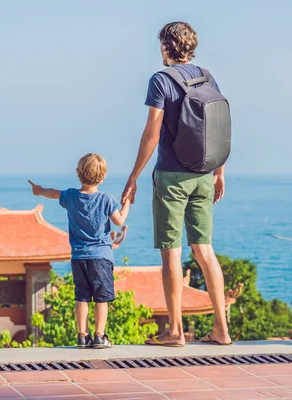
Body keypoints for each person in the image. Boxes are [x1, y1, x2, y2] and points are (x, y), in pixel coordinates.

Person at [121, 22, 232, 346]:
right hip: (204, 175)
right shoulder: (207, 76)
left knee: (171, 253)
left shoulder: (161, 80)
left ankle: (175, 331)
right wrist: (219, 172)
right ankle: (222, 331)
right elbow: (218, 127)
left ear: (167, 48)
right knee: (205, 251)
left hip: (171, 176)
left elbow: (151, 134)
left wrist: (133, 177)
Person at [29, 153, 130, 348]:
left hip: (78, 258)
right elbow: (119, 221)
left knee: (81, 296)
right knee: (102, 298)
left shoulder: (71, 196)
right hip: (101, 257)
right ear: (103, 176)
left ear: (78, 173)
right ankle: (100, 336)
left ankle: (82, 335)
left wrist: (38, 190)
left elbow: (52, 193)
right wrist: (126, 204)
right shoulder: (106, 199)